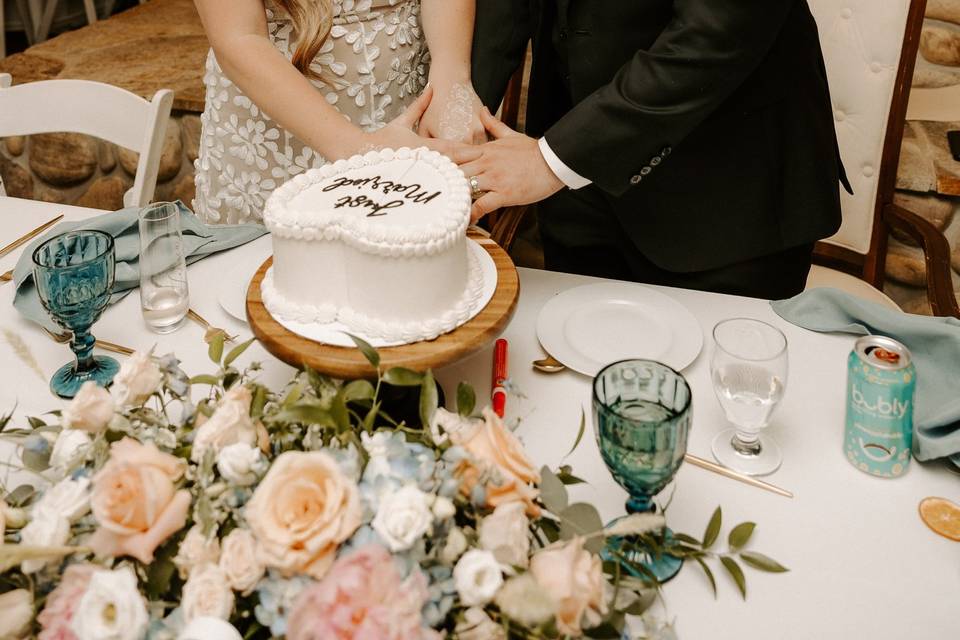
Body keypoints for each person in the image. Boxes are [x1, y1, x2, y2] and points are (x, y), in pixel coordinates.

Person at [461, 0, 850, 299]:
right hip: (577, 182)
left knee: (709, 394)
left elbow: (718, 31)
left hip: (732, 194)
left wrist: (549, 161)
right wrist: (461, 115)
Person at [191, 0, 484, 225]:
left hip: (405, 114)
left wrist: (451, 79)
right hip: (273, 145)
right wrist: (358, 149)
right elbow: (238, 37)